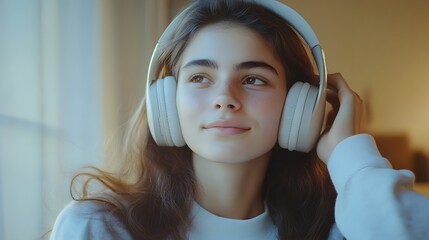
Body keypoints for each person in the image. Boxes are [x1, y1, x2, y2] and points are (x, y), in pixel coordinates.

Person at [50, 0, 429, 239]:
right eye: (200, 77)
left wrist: (352, 157)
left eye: (253, 79)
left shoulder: (340, 229)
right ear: (166, 100)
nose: (224, 100)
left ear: (300, 105)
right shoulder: (100, 228)